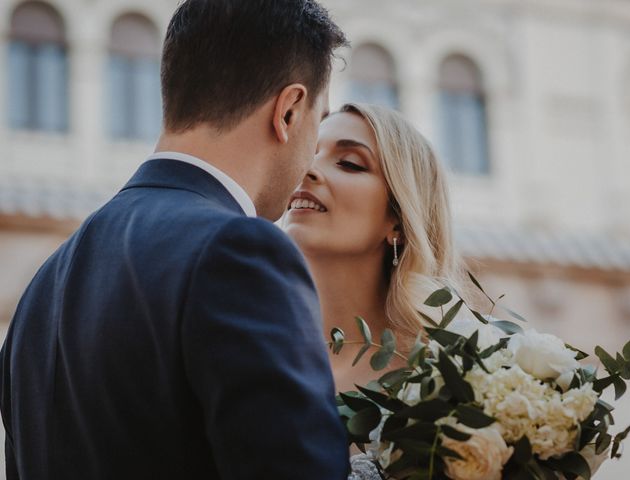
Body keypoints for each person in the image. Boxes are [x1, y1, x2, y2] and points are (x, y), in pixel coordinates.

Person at [0, 1, 349, 479]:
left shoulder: (44, 286)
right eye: (318, 120)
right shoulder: (239, 251)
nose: (313, 159)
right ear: (288, 111)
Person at [283, 103, 463, 394]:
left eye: (350, 163)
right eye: (308, 152)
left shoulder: (446, 376)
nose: (308, 169)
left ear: (399, 222)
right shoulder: (250, 350)